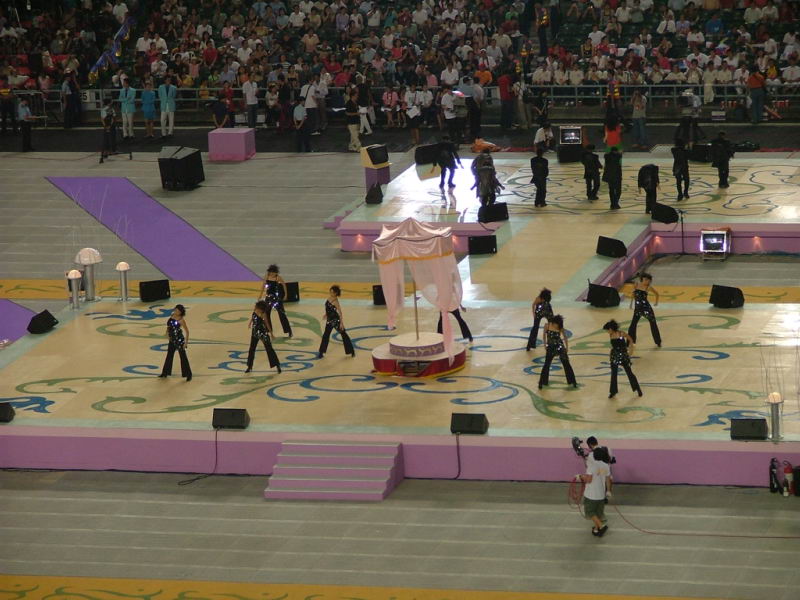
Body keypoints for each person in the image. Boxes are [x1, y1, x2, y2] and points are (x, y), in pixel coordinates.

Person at [576, 446, 612, 537]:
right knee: (598, 513)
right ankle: (596, 529)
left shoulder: (592, 466)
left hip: (591, 495)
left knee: (590, 512)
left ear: (594, 455)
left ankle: (601, 526)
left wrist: (580, 477)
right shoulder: (605, 466)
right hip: (601, 495)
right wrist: (608, 491)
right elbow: (608, 479)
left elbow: (588, 480)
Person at [603, 319, 642, 399]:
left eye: (607, 330)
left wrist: (631, 350)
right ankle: (613, 391)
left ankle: (637, 388)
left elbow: (630, 340)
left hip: (623, 356)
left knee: (629, 373)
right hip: (614, 356)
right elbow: (614, 346)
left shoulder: (621, 333)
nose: (607, 332)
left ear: (610, 329)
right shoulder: (611, 335)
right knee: (614, 374)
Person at [537, 315, 577, 390]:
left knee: (566, 363)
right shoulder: (547, 325)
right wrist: (545, 345)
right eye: (557, 324)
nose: (558, 326)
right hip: (550, 347)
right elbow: (544, 336)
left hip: (559, 346)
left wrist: (567, 347)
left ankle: (572, 381)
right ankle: (542, 382)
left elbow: (565, 337)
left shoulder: (560, 327)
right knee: (546, 365)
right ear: (554, 322)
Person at [318, 285, 355, 358]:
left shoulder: (336, 302)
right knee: (326, 335)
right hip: (329, 320)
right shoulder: (329, 298)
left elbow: (340, 312)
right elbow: (328, 308)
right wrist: (326, 314)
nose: (330, 293)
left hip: (335, 320)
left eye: (332, 292)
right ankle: (321, 352)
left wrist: (341, 323)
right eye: (330, 291)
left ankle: (351, 350)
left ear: (336, 293)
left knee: (344, 334)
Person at [245, 301, 281, 374]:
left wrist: (271, 334)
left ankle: (277, 365)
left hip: (262, 333)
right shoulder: (255, 310)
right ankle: (249, 366)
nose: (256, 308)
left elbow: (267, 323)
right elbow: (253, 317)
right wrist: (250, 323)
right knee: (252, 349)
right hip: (254, 332)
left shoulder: (263, 314)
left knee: (269, 349)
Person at [159, 304, 192, 381]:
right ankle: (165, 373)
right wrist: (167, 333)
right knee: (169, 356)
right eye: (176, 310)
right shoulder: (172, 316)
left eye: (178, 311)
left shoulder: (181, 320)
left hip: (179, 340)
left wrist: (185, 343)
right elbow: (169, 326)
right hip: (172, 340)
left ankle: (188, 374)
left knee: (183, 357)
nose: (176, 311)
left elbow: (187, 332)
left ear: (181, 312)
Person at [628, 272, 661, 347]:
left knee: (653, 323)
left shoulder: (648, 287)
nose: (647, 281)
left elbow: (657, 294)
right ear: (642, 279)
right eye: (646, 279)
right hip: (637, 309)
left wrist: (656, 302)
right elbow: (633, 294)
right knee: (633, 325)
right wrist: (631, 303)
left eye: (649, 280)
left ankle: (658, 342)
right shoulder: (636, 284)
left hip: (647, 308)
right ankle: (631, 341)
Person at [259, 264, 293, 338]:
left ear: (276, 272)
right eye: (271, 272)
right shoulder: (266, 276)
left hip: (277, 299)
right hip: (268, 298)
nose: (272, 274)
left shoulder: (278, 277)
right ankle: (268, 330)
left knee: (282, 314)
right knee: (266, 313)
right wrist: (260, 295)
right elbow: (263, 286)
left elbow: (284, 285)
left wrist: (285, 295)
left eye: (274, 272)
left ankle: (289, 331)